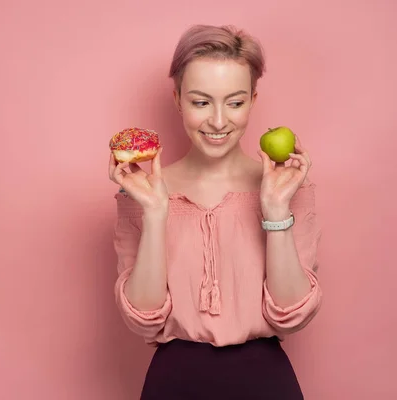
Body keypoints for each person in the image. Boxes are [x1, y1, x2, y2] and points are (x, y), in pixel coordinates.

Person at [108, 24, 322, 399]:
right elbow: (144, 318)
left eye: (235, 102)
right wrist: (156, 214)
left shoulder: (286, 188)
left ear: (254, 99)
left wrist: (274, 210)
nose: (219, 122)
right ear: (177, 99)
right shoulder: (142, 193)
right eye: (201, 102)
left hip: (267, 385)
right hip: (172, 385)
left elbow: (291, 313)